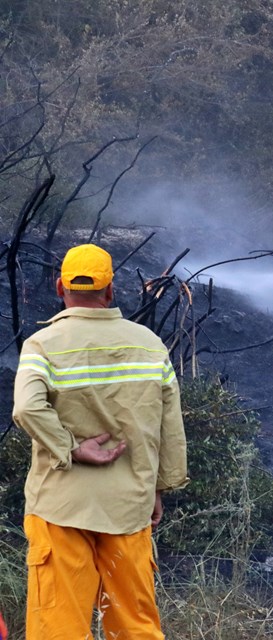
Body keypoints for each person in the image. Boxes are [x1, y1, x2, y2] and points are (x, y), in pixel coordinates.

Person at [12, 243, 188, 640]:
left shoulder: (42, 346)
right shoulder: (149, 345)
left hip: (61, 508)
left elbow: (26, 408)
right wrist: (159, 487)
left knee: (60, 629)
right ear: (110, 291)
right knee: (136, 627)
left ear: (60, 287)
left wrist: (70, 447)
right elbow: (169, 426)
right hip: (128, 508)